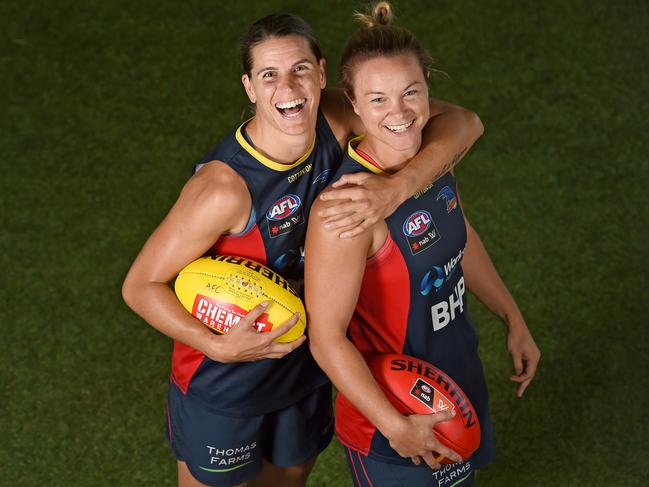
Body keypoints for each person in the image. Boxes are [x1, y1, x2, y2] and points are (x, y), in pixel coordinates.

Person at [122, 11, 484, 487]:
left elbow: (462, 122)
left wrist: (400, 187)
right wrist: (216, 345)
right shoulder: (223, 190)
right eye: (269, 75)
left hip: (305, 366)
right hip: (224, 382)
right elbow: (139, 286)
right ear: (250, 87)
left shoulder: (333, 120)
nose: (287, 89)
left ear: (321, 73)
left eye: (299, 69)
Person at [305, 3, 541, 486]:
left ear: (428, 87)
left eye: (410, 92)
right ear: (351, 102)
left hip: (455, 381)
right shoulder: (344, 210)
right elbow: (325, 340)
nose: (399, 113)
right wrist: (396, 428)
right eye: (377, 99)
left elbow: (458, 237)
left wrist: (511, 316)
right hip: (393, 417)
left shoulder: (432, 163)